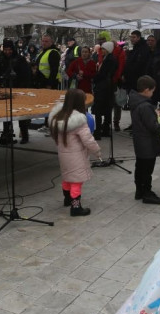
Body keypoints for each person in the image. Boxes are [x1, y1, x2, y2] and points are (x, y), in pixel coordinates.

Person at [48, 88, 102, 217]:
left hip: (63, 155)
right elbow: (88, 140)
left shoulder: (58, 116)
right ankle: (76, 207)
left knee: (67, 177)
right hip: (76, 156)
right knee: (77, 181)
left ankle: (67, 199)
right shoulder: (79, 120)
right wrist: (97, 151)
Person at [129, 75, 160, 205]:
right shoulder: (145, 106)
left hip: (140, 142)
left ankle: (139, 190)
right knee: (147, 170)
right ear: (146, 90)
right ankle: (147, 193)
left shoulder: (135, 101)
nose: (153, 94)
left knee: (140, 167)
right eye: (152, 91)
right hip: (148, 144)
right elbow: (153, 126)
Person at [0, 39, 34, 144]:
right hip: (5, 89)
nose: (7, 52)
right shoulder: (0, 58)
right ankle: (6, 133)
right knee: (6, 112)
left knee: (21, 113)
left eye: (9, 49)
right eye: (6, 49)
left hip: (19, 89)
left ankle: (24, 134)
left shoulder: (19, 59)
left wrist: (23, 88)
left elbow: (26, 74)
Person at [92, 41, 118, 140]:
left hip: (103, 87)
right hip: (107, 87)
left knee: (99, 109)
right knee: (107, 110)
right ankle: (105, 130)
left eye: (103, 49)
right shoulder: (109, 58)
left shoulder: (109, 60)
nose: (101, 50)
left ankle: (98, 131)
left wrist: (95, 79)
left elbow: (102, 74)